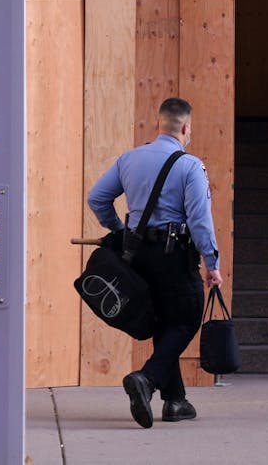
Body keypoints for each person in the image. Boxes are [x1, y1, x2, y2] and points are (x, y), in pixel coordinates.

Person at [86, 96, 223, 428]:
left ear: (158, 123)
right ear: (186, 128)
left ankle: (175, 402)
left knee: (163, 321)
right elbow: (200, 220)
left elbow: (97, 198)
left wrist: (121, 231)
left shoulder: (129, 159)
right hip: (173, 255)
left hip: (137, 257)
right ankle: (146, 379)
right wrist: (212, 262)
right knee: (187, 318)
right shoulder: (190, 166)